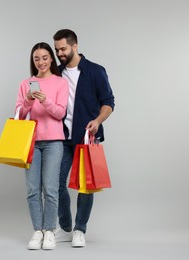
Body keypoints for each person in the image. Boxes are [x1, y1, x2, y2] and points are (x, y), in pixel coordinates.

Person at [53, 29, 115, 247]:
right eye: (57, 49)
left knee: (85, 185)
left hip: (87, 136)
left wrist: (98, 121)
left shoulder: (95, 71)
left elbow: (108, 102)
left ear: (75, 46)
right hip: (61, 137)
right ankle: (66, 227)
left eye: (63, 49)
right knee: (56, 182)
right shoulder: (56, 73)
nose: (59, 53)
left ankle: (80, 229)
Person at [15, 42, 69, 250]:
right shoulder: (26, 83)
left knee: (51, 189)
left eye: (45, 57)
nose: (41, 62)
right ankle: (37, 230)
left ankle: (49, 231)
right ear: (33, 61)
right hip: (31, 141)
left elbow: (60, 113)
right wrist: (28, 101)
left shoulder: (60, 83)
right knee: (32, 189)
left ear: (51, 59)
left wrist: (45, 100)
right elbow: (19, 115)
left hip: (54, 141)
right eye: (37, 58)